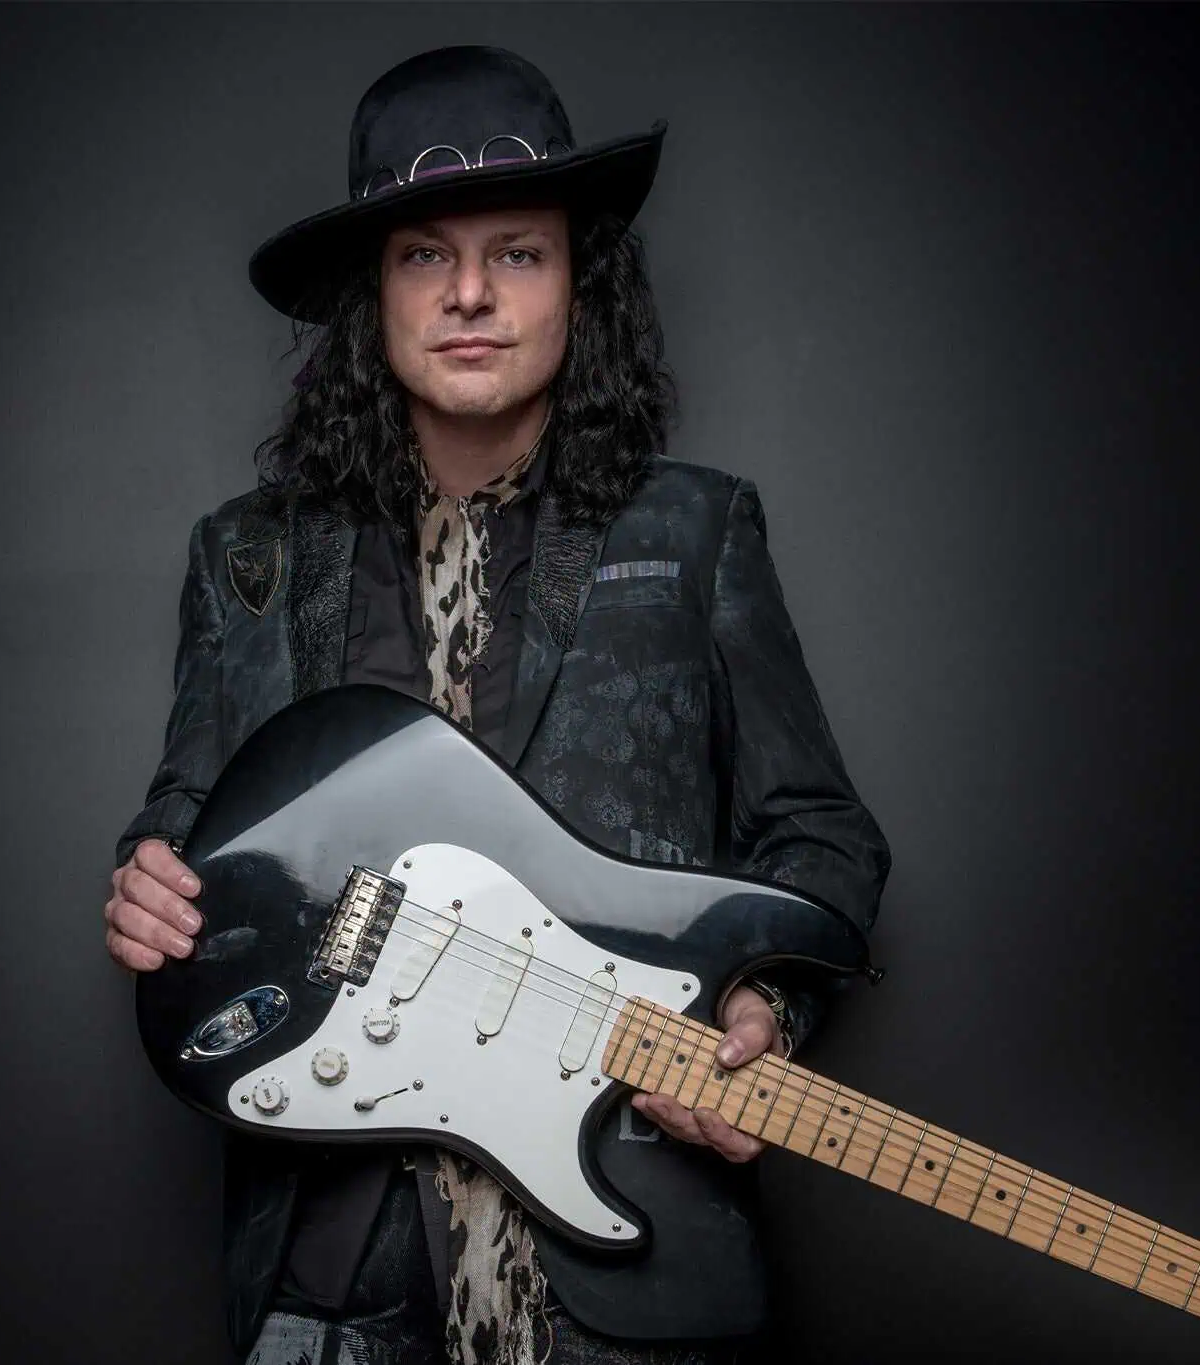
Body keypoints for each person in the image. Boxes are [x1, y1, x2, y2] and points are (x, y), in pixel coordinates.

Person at [105, 45, 889, 1365]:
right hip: (331, 1280)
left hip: (628, 1256)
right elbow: (188, 814)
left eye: (517, 253)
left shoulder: (695, 531)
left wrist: (761, 1008)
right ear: (373, 294)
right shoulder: (250, 555)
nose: (470, 293)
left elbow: (820, 834)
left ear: (580, 284)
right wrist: (146, 877)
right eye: (425, 256)